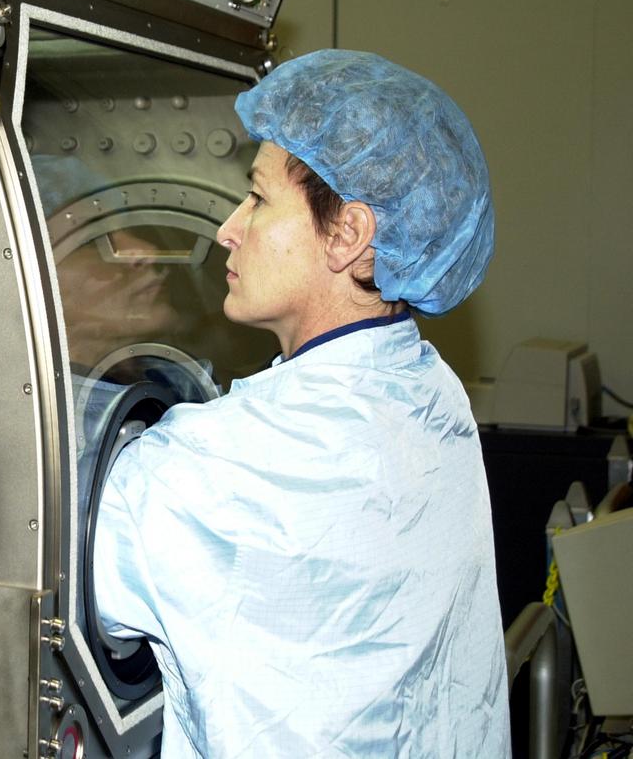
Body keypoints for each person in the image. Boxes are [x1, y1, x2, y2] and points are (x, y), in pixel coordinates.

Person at [92, 49, 510, 757]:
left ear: (348, 233)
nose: (229, 225)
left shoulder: (195, 471)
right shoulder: (436, 397)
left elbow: (48, 577)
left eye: (256, 198)